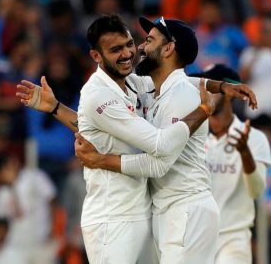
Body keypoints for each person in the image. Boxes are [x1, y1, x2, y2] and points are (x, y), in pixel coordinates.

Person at [15, 14, 256, 264]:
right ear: (96, 56)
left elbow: (164, 140)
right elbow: (100, 126)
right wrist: (56, 108)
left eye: (132, 43)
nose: (133, 51)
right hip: (114, 215)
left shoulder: (138, 82)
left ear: (169, 48)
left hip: (167, 210)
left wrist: (219, 89)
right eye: (116, 49)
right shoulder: (100, 94)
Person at [196, 64, 271, 263]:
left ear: (229, 92)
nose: (205, 91)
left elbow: (256, 192)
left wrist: (244, 153)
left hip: (234, 238)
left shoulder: (255, 138)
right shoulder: (193, 135)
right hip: (195, 236)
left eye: (213, 86)